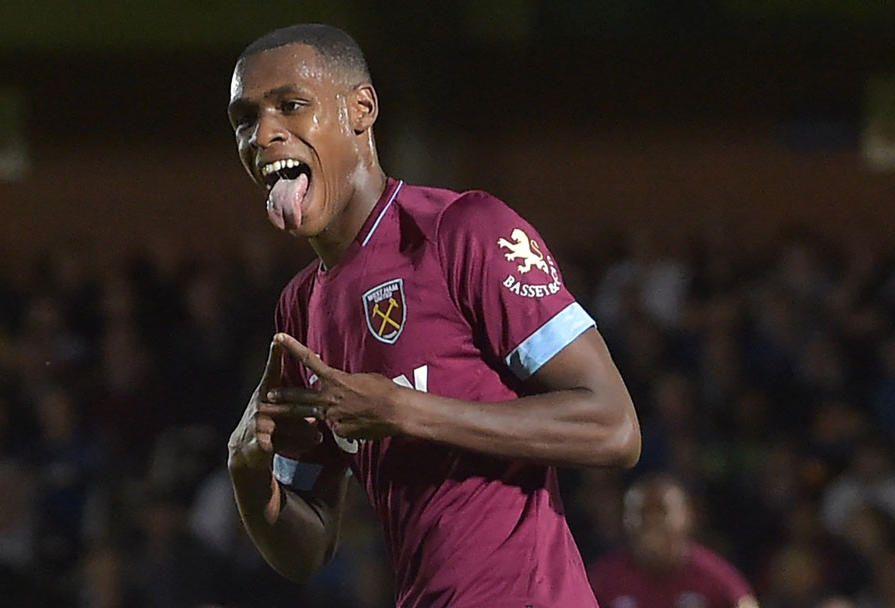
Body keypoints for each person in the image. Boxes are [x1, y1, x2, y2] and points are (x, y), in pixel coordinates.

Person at [225, 24, 641, 607]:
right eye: (246, 119)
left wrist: (403, 408)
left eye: (291, 106)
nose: (264, 133)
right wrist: (250, 480)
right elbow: (307, 549)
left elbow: (614, 427)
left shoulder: (461, 231)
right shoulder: (299, 311)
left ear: (360, 109)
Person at [587, 475, 758, 608]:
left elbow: (746, 603)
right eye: (642, 513)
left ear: (687, 517)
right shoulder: (603, 579)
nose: (653, 523)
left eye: (662, 512)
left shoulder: (713, 574)